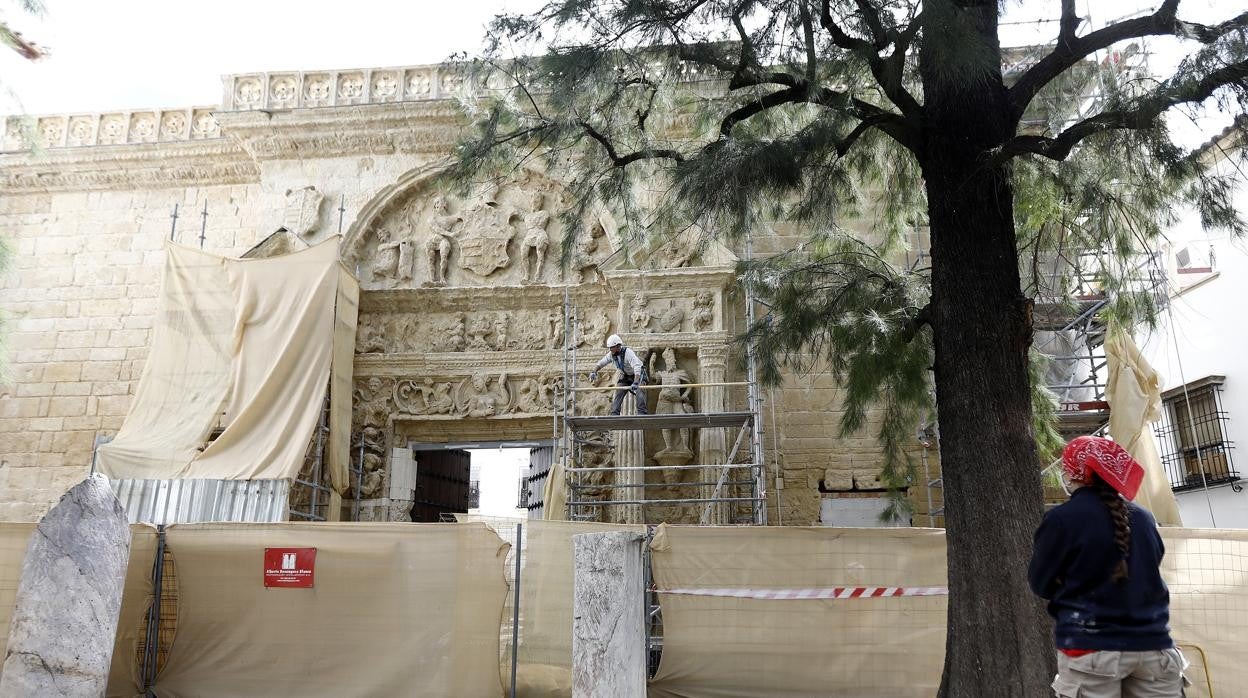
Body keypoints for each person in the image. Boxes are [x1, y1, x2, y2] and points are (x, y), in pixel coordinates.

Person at [1029, 435, 1187, 698]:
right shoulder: (1144, 518)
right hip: (1154, 646)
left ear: (1072, 473)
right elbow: (1151, 565)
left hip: (1090, 648)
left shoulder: (1061, 520)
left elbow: (1040, 583)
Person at [589, 334, 648, 415]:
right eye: (610, 348)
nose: (610, 350)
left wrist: (636, 382)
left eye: (612, 348)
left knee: (639, 390)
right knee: (619, 390)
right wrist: (594, 371)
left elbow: (637, 367)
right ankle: (615, 413)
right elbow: (601, 363)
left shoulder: (628, 353)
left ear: (618, 346)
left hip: (638, 374)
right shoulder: (611, 355)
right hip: (626, 375)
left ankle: (642, 413)